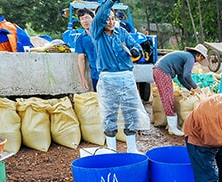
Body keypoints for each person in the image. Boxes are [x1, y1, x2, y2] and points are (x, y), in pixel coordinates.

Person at [90, 0, 145, 153]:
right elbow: (101, 14)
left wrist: (135, 50)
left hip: (126, 78)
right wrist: (110, 2)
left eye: (113, 18)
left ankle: (132, 149)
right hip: (108, 78)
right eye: (107, 19)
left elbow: (136, 45)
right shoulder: (97, 33)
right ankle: (111, 149)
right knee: (110, 114)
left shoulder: (122, 33)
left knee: (131, 112)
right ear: (100, 20)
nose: (111, 21)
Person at [153, 44, 208, 136]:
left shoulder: (186, 56)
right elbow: (187, 75)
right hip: (162, 71)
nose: (199, 62)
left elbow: (181, 78)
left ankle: (172, 127)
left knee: (167, 98)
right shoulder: (190, 58)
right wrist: (195, 87)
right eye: (201, 59)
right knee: (168, 99)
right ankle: (172, 128)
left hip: (159, 70)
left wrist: (190, 89)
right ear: (199, 55)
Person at [75, 9, 99, 92]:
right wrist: (83, 78)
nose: (85, 21)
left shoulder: (102, 33)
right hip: (96, 75)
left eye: (87, 18)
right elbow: (81, 59)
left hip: (111, 73)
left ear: (93, 18)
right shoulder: (80, 39)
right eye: (82, 19)